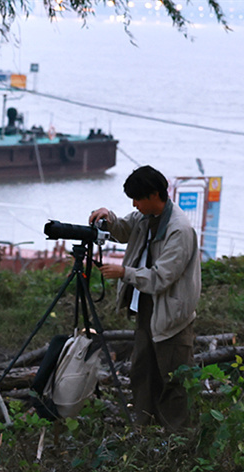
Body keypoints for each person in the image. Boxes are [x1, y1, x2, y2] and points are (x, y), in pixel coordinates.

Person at [89, 165, 201, 431]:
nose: (134, 204)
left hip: (172, 314)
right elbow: (124, 229)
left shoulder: (179, 230)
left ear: (154, 195)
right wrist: (108, 217)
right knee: (142, 373)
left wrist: (123, 272)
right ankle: (144, 429)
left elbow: (161, 277)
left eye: (138, 199)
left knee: (173, 379)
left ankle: (178, 437)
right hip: (146, 308)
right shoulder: (145, 217)